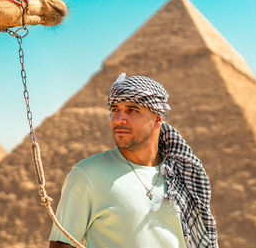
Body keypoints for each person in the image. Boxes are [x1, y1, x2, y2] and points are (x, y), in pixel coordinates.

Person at [48, 73, 218, 248]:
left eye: (132, 110)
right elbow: (61, 244)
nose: (118, 119)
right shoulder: (87, 174)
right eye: (114, 110)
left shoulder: (182, 176)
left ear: (157, 119)